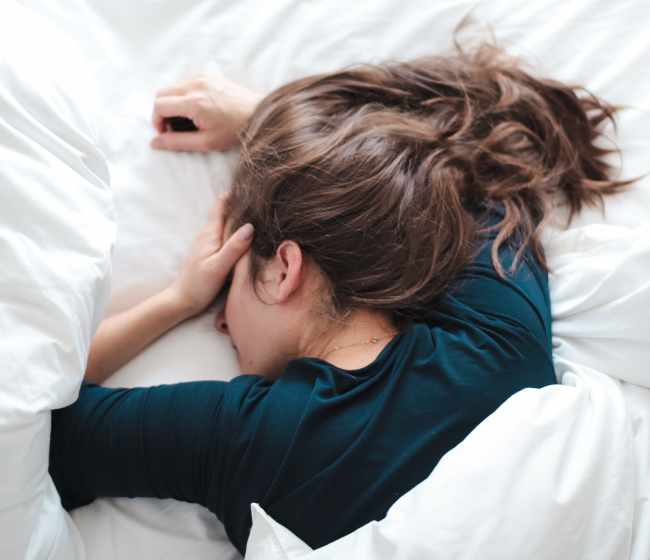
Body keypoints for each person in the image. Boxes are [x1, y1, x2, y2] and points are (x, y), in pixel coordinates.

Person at [49, 45, 626, 555]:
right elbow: (473, 160)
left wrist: (176, 299)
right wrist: (269, 116)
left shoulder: (243, 440)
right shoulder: (494, 342)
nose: (220, 320)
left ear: (284, 271)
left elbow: (35, 418)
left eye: (228, 287)